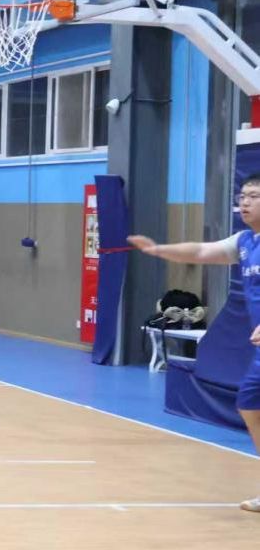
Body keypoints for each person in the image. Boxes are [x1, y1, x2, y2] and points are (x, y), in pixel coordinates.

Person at [128, 173, 260, 513]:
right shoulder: (245, 242)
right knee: (250, 405)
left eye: (254, 196)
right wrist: (158, 250)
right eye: (243, 195)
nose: (245, 202)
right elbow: (202, 251)